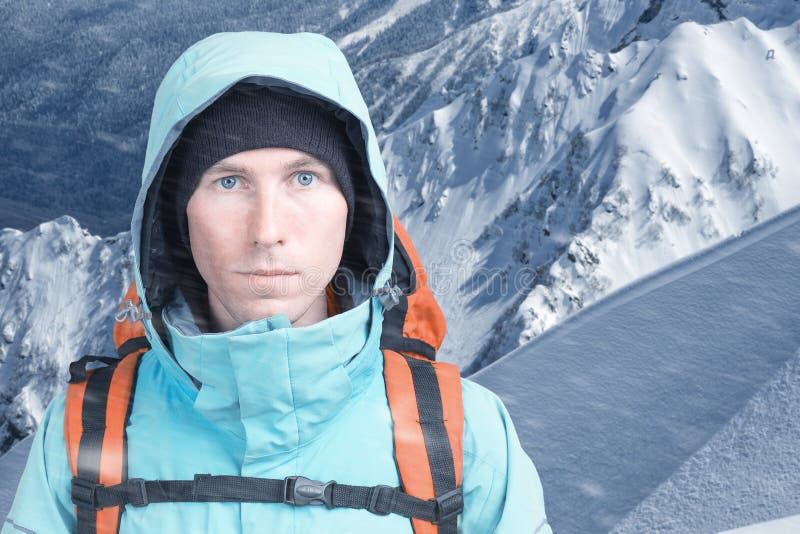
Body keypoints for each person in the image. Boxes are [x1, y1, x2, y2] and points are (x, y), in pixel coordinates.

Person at [3, 31, 552, 533]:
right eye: (229, 181)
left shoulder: (464, 441)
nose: (267, 230)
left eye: (304, 178)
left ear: (352, 210)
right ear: (177, 217)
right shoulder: (78, 437)